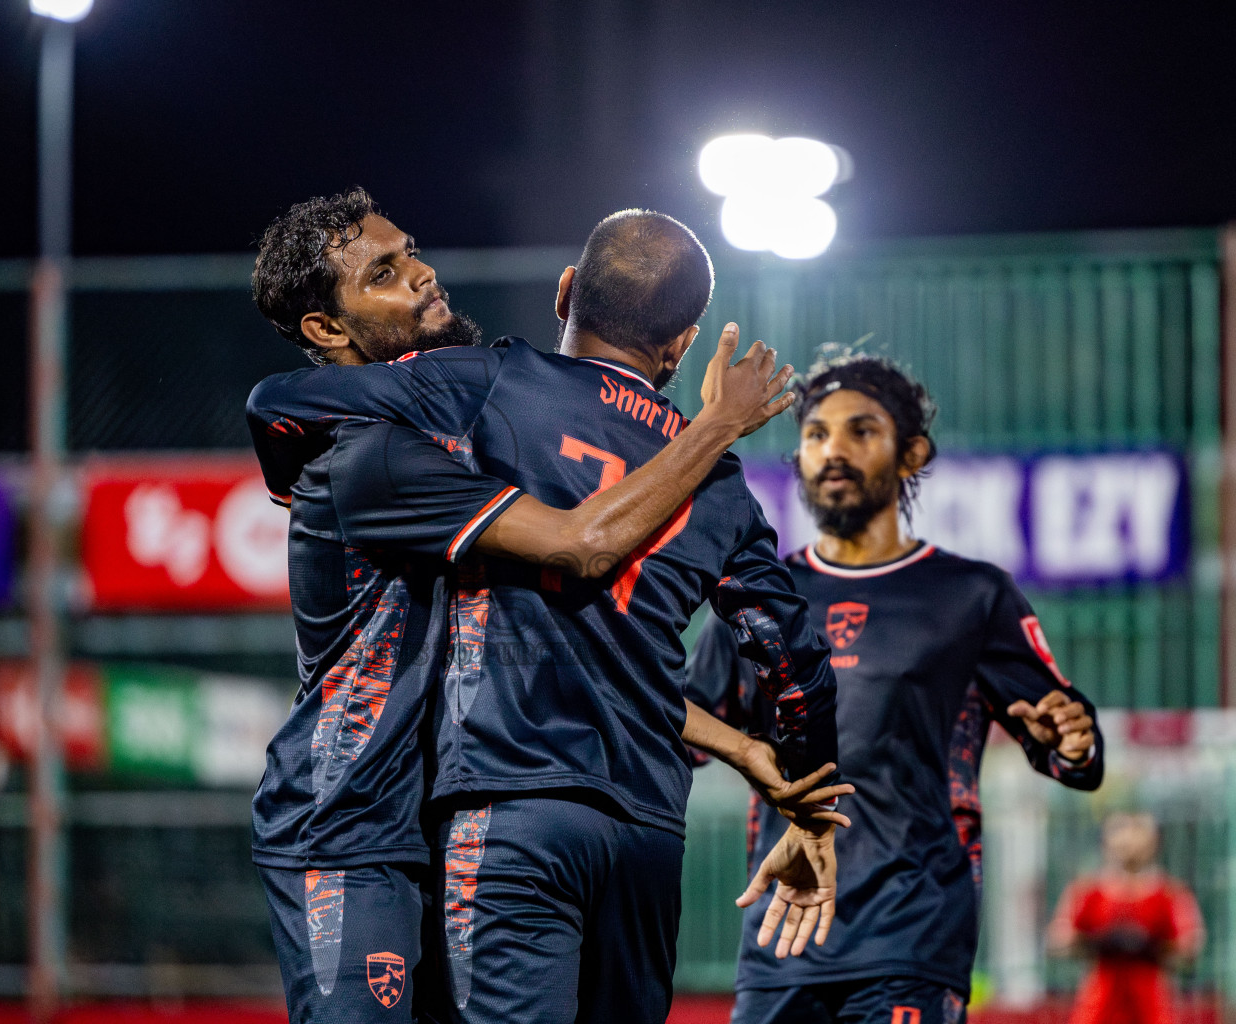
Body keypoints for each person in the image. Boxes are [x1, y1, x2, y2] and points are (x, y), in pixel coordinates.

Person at [246, 190, 845, 1024]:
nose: (421, 274)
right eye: (384, 272)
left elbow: (579, 651)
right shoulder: (370, 457)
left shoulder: (483, 407)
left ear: (566, 293)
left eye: (410, 252)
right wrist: (711, 428)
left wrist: (742, 746)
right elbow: (588, 550)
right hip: (362, 822)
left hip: (470, 810)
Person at [690, 352, 1106, 1024]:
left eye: (861, 430)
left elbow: (1070, 752)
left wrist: (1072, 740)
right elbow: (679, 727)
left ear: (912, 454)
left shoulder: (972, 595)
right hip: (780, 932)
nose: (834, 450)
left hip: (912, 934)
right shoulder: (761, 598)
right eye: (816, 434)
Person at [1047, 811, 1205, 1024]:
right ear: (1106, 842)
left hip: (1151, 1002)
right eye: (1121, 831)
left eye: (1138, 831)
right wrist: (1093, 942)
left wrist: (1155, 947)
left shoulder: (1170, 894)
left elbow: (1190, 944)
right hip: (1099, 1002)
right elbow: (1059, 939)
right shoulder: (1087, 891)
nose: (1130, 841)